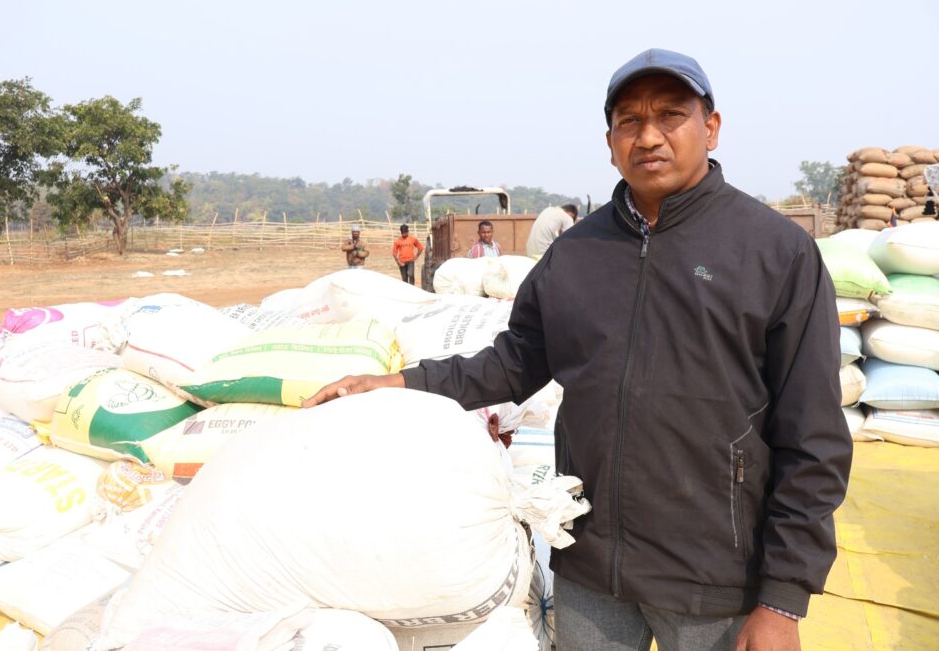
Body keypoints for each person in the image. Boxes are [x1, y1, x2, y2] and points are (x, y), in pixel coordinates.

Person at [305, 48, 852, 651]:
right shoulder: (577, 252)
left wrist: (782, 599)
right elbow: (515, 361)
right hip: (592, 568)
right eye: (629, 121)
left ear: (712, 127)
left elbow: (813, 436)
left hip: (717, 578)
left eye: (671, 115)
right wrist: (400, 384)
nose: (649, 136)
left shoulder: (774, 252)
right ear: (610, 142)